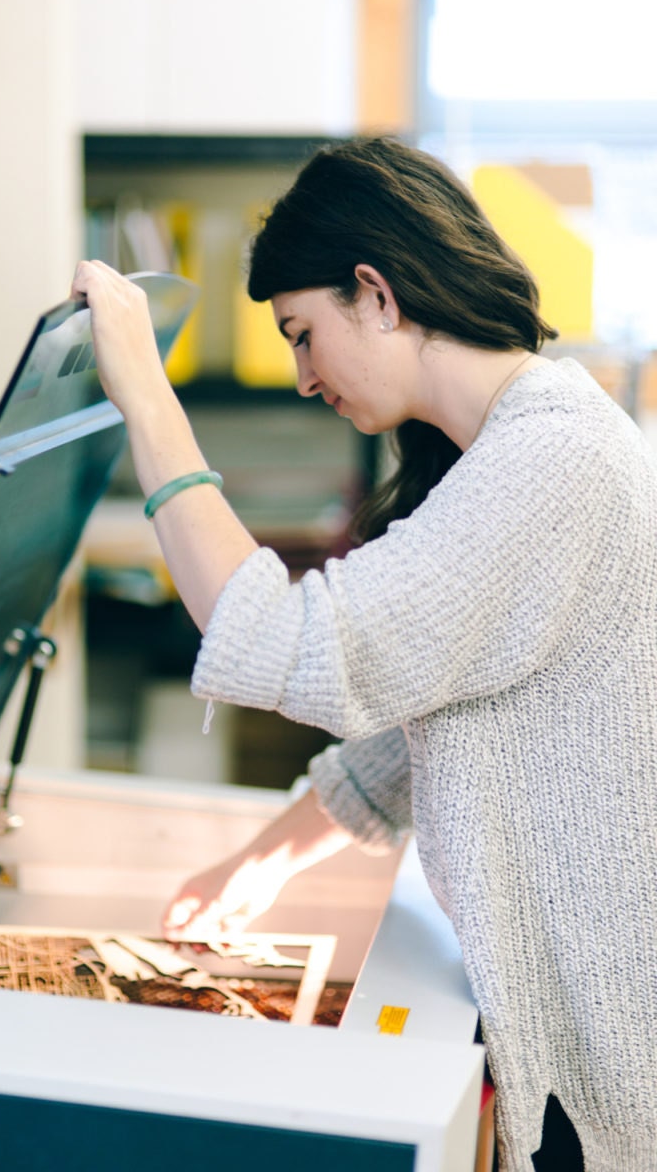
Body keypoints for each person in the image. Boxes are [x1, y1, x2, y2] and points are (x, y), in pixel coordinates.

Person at [71, 136, 657, 1172]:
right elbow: (410, 733)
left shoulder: (549, 461)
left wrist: (144, 396)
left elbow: (282, 645)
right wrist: (252, 866)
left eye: (302, 334)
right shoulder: (524, 439)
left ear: (374, 294)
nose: (300, 376)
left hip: (602, 1045)